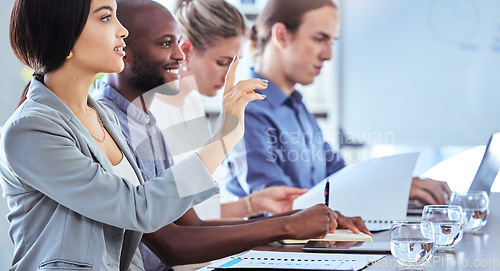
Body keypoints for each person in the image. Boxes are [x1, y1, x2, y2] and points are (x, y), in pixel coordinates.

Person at [93, 1, 370, 270]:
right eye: (167, 43)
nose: (179, 55)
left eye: (177, 42)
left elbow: (194, 224)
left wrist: (298, 218)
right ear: (121, 49)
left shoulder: (147, 121)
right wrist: (285, 225)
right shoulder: (106, 124)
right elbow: (172, 244)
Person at [0, 0, 263, 269]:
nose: (123, 30)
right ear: (65, 33)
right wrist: (224, 137)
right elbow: (138, 209)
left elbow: (130, 244)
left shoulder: (105, 117)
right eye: (106, 18)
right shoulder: (31, 129)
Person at [225, 0, 452, 206]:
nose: (328, 55)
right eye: (319, 38)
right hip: (279, 250)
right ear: (281, 36)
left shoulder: (296, 107)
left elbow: (338, 175)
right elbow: (281, 205)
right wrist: (391, 188)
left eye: (332, 41)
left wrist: (397, 184)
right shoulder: (247, 109)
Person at [149, 0, 308, 220]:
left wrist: (253, 204)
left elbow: (199, 213)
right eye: (223, 62)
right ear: (186, 50)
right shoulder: (150, 111)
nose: (228, 77)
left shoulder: (192, 101)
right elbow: (168, 218)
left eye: (235, 64)